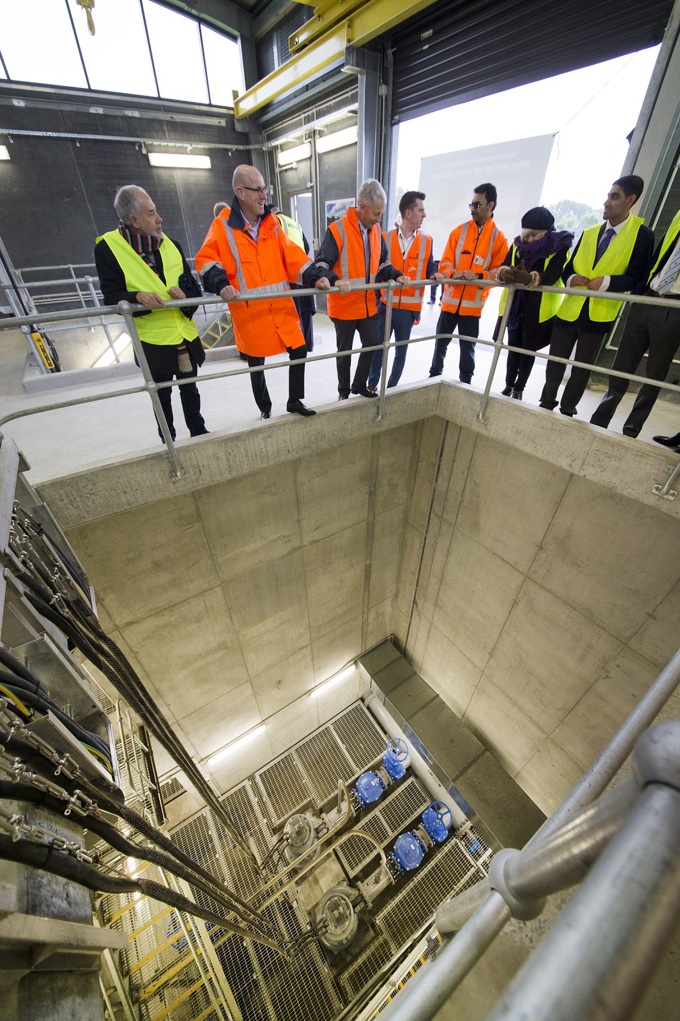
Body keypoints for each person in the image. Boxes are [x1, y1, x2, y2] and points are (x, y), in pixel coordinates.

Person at [195, 165, 318, 419]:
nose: (264, 195)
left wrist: (317, 276)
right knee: (255, 363)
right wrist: (220, 284)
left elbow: (293, 256)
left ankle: (294, 400)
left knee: (299, 349)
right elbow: (207, 259)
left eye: (265, 189)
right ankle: (265, 408)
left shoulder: (271, 225)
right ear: (240, 192)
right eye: (258, 190)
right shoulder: (223, 226)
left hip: (280, 308)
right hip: (251, 311)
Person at [95, 184, 208, 441]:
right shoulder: (108, 249)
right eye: (151, 213)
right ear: (134, 220)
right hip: (153, 342)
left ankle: (199, 434)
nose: (159, 219)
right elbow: (111, 296)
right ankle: (169, 442)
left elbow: (192, 288)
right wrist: (136, 297)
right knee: (162, 396)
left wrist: (185, 297)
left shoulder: (171, 245)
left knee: (190, 389)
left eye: (156, 212)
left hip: (183, 334)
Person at [539, 176, 654, 417]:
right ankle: (546, 403)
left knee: (582, 368)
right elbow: (568, 268)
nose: (606, 202)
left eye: (615, 197)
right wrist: (571, 279)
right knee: (555, 361)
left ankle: (568, 408)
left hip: (599, 313)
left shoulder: (642, 235)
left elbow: (637, 278)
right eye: (608, 195)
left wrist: (608, 282)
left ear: (630, 200)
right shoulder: (590, 232)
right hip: (570, 308)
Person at [308, 179, 409, 400]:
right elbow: (321, 265)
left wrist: (395, 274)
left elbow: (382, 264)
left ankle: (359, 384)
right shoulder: (337, 230)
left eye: (381, 214)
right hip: (344, 306)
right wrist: (335, 281)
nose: (379, 219)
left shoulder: (376, 231)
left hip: (367, 305)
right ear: (361, 206)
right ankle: (343, 393)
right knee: (344, 353)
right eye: (375, 213)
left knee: (372, 343)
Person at [590, 209, 680, 437]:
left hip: (675, 307)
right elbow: (662, 252)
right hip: (648, 297)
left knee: (654, 373)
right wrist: (641, 292)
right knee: (622, 364)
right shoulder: (678, 215)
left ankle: (632, 428)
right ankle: (600, 418)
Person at [429, 183, 508, 384]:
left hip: (472, 309)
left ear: (491, 205)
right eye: (471, 205)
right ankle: (433, 376)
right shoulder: (459, 232)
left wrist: (479, 276)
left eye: (477, 204)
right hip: (450, 302)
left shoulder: (499, 239)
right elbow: (444, 262)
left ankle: (466, 383)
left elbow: (499, 274)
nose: (472, 209)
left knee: (468, 348)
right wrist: (453, 273)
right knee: (440, 344)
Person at [495, 207, 574, 399]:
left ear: (546, 231)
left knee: (528, 350)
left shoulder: (559, 246)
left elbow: (554, 274)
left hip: (539, 308)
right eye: (526, 235)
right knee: (513, 347)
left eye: (534, 235)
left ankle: (519, 388)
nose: (529, 240)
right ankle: (508, 384)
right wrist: (505, 273)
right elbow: (505, 263)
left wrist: (529, 278)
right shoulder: (517, 245)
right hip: (515, 306)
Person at [366, 191, 435, 391]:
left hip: (408, 309)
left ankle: (392, 389)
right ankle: (371, 385)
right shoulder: (384, 237)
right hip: (386, 305)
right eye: (420, 210)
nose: (424, 215)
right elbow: (377, 269)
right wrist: (379, 299)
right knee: (379, 349)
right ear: (408, 212)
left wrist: (435, 274)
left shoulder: (427, 241)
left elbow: (430, 266)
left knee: (400, 352)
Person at [271, 205, 316, 351]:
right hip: (304, 271)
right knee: (306, 310)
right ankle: (308, 344)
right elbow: (307, 247)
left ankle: (297, 347)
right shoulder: (295, 223)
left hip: (290, 274)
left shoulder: (275, 222)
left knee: (294, 312)